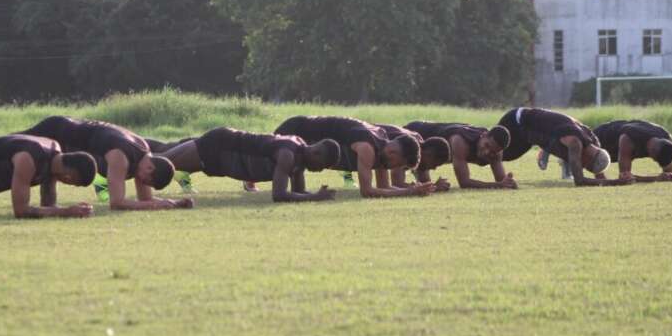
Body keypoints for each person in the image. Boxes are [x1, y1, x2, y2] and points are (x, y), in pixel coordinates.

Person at [0, 117, 192, 211]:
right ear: (149, 166)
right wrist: (160, 204)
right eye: (148, 179)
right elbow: (118, 203)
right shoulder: (121, 157)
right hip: (57, 132)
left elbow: (145, 199)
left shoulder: (144, 158)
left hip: (68, 137)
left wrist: (169, 203)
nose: (144, 184)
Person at [162, 127, 341, 202]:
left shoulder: (300, 158)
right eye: (322, 166)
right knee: (163, 163)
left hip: (222, 151)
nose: (319, 171)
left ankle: (137, 149)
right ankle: (135, 158)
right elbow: (279, 195)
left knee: (164, 152)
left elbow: (298, 193)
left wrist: (317, 195)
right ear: (316, 152)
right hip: (219, 146)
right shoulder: (288, 155)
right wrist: (315, 197)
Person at [273, 116, 435, 198]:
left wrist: (412, 189)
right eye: (398, 164)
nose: (394, 168)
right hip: (295, 129)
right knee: (264, 167)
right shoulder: (367, 148)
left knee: (295, 185)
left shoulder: (382, 148)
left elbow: (383, 188)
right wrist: (408, 192)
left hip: (302, 131)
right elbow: (367, 191)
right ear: (393, 152)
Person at [496, 107, 624, 186]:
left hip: (533, 133)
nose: (583, 167)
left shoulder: (595, 144)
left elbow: (599, 175)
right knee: (495, 152)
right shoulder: (575, 143)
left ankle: (546, 150)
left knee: (502, 155)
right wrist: (615, 182)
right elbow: (579, 181)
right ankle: (478, 135)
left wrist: (614, 182)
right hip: (516, 121)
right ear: (589, 158)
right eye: (585, 165)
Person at [403, 121, 517, 190]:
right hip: (417, 133)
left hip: (431, 149)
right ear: (484, 135)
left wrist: (509, 182)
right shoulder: (460, 142)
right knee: (425, 185)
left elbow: (502, 181)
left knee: (427, 186)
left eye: (493, 151)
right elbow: (464, 183)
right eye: (486, 145)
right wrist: (497, 186)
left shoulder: (496, 152)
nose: (487, 152)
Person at [593, 119, 672, 182]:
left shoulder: (666, 140)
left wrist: (670, 176)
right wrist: (656, 178)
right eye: (655, 159)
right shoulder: (628, 139)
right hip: (599, 139)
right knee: (601, 180)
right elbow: (624, 177)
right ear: (652, 152)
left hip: (623, 131)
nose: (654, 160)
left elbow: (668, 172)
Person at [376, 123, 453, 192]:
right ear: (428, 154)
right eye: (435, 164)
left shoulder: (419, 146)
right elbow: (397, 183)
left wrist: (433, 186)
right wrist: (432, 187)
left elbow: (424, 181)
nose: (433, 168)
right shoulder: (409, 149)